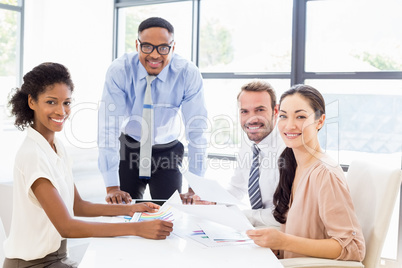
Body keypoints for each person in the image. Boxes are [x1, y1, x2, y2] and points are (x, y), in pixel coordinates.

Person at [3, 62, 173, 268]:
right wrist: (136, 229)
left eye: (66, 102)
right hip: (32, 264)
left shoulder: (56, 146)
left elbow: (78, 206)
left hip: (57, 258)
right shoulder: (33, 154)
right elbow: (67, 227)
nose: (61, 111)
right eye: (51, 102)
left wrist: (131, 209)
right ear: (31, 102)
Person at [246, 84, 366, 261]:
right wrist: (278, 248)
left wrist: (284, 242)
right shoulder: (294, 165)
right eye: (284, 116)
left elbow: (354, 248)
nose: (290, 125)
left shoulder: (326, 174)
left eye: (301, 116)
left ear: (320, 121)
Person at [98, 17, 208, 204]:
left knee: (170, 213)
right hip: (129, 147)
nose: (155, 55)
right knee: (123, 212)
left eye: (163, 48)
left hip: (167, 151)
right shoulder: (120, 70)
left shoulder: (188, 73)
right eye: (147, 46)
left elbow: (197, 130)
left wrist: (195, 187)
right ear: (137, 45)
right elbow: (108, 127)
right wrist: (112, 187)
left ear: (173, 48)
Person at [190, 80, 285, 227]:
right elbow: (237, 187)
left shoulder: (286, 150)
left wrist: (242, 217)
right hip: (259, 227)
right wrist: (213, 200)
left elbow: (284, 213)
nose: (252, 119)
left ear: (276, 111)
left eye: (260, 110)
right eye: (244, 111)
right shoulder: (249, 141)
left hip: (282, 230)